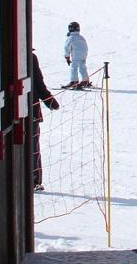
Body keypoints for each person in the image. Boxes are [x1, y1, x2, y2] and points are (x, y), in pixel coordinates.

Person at [31, 52, 59, 191]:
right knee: (32, 146)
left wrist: (50, 101)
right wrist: (51, 101)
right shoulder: (30, 57)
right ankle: (34, 180)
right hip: (31, 112)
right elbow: (39, 84)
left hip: (6, 113)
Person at [63, 21, 90, 89]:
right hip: (83, 55)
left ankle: (74, 81)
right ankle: (85, 81)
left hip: (76, 55)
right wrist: (84, 55)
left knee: (74, 67)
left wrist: (67, 57)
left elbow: (67, 48)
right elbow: (85, 46)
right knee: (82, 67)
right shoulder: (81, 37)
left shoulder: (71, 38)